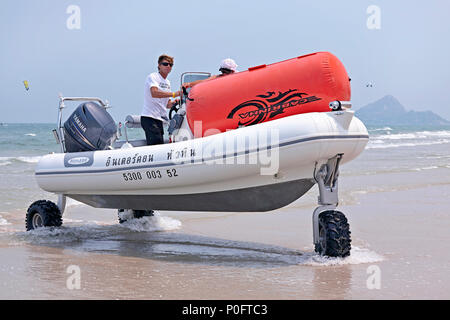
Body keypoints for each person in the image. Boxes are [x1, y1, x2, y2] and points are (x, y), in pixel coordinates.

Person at [141, 54, 181, 145]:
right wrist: (174, 94)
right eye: (165, 64)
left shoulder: (167, 82)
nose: (168, 66)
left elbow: (167, 104)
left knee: (159, 143)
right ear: (159, 65)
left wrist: (174, 102)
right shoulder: (153, 77)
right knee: (156, 145)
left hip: (159, 119)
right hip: (149, 117)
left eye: (171, 65)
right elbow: (154, 93)